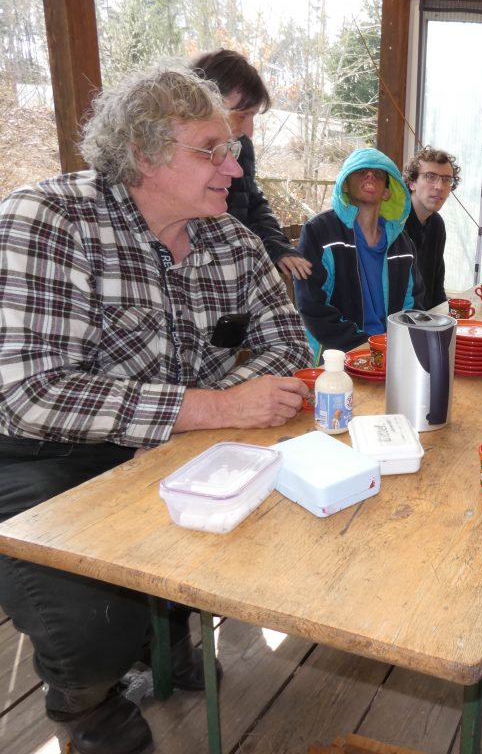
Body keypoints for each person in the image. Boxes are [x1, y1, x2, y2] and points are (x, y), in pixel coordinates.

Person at [0, 64, 312, 754]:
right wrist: (207, 408)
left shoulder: (231, 240)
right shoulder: (48, 219)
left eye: (233, 148)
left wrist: (206, 413)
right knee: (87, 624)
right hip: (38, 455)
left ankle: (161, 632)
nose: (235, 168)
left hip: (175, 443)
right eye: (212, 149)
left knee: (277, 525)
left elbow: (289, 344)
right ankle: (87, 702)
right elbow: (33, 395)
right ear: (145, 153)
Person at [191, 48, 312, 281]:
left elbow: (251, 201)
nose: (249, 131)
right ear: (203, 102)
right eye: (242, 115)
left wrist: (277, 246)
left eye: (253, 116)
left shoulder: (241, 147)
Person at [295, 147, 424, 358]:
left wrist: (395, 348)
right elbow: (311, 306)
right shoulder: (319, 232)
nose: (370, 175)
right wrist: (365, 346)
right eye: (361, 171)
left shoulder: (402, 243)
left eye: (378, 173)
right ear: (344, 185)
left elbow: (413, 304)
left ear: (387, 192)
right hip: (336, 355)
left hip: (389, 352)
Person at [402, 146, 460, 309]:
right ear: (412, 183)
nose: (439, 186)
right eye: (430, 177)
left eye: (447, 179)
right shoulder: (395, 224)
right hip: (400, 318)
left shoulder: (437, 224)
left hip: (427, 316)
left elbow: (436, 286)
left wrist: (443, 317)